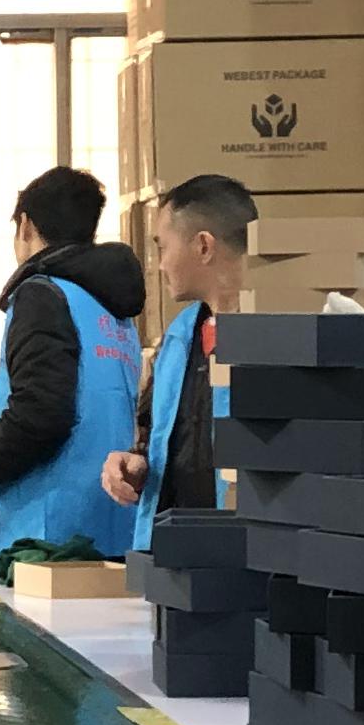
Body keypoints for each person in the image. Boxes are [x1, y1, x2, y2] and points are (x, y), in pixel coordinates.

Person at [0, 167, 145, 558]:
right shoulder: (112, 308)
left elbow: (39, 415)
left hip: (49, 541)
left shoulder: (42, 295)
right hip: (114, 530)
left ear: (25, 225)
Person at [100, 173, 254, 549]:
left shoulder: (279, 335)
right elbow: (157, 431)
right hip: (177, 553)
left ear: (203, 246)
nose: (159, 265)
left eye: (163, 247)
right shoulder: (180, 338)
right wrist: (137, 463)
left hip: (251, 551)